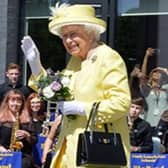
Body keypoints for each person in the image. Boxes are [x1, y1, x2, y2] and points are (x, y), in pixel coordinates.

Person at [21, 2, 131, 168]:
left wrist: (82, 108)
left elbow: (122, 103)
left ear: (91, 33)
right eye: (64, 36)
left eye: (73, 34)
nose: (68, 40)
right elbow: (56, 92)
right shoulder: (75, 62)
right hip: (68, 150)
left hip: (97, 154)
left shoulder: (108, 58)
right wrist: (36, 67)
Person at [0, 89, 37, 168]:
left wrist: (27, 135)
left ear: (22, 103)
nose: (15, 104)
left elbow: (35, 140)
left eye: (18, 101)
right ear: (7, 102)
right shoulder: (1, 119)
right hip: (3, 155)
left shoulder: (27, 119)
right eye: (12, 100)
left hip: (23, 157)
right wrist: (3, 150)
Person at [139, 48, 168, 127]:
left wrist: (165, 71)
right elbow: (142, 76)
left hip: (164, 124)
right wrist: (146, 56)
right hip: (149, 123)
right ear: (150, 76)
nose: (157, 73)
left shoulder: (165, 89)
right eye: (154, 72)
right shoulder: (147, 90)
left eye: (159, 73)